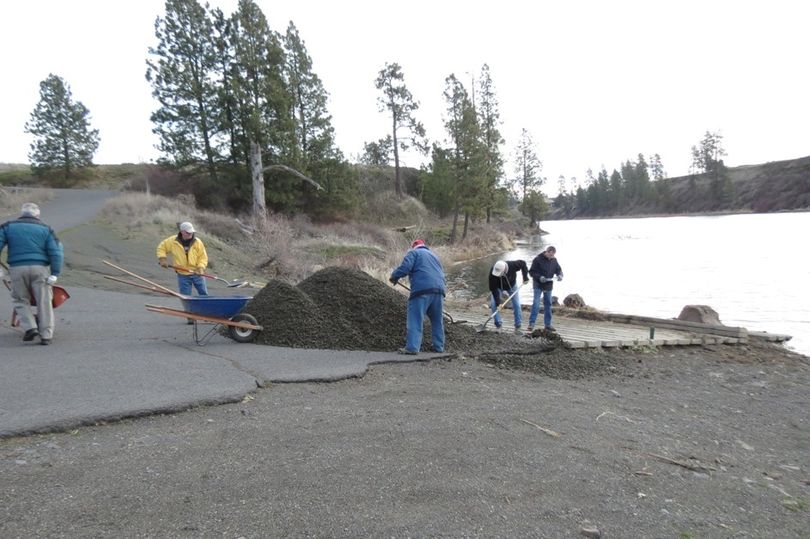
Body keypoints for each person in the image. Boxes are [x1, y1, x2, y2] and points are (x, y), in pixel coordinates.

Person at [0, 202, 64, 345]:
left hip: (17, 269)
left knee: (20, 299)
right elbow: (56, 252)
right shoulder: (46, 229)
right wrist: (55, 273)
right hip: (40, 269)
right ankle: (46, 335)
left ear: (21, 213)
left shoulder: (8, 226)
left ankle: (30, 327)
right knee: (44, 301)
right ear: (37, 215)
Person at [389, 239, 446, 355]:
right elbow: (441, 273)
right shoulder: (434, 256)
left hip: (421, 290)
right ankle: (438, 347)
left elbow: (405, 268)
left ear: (414, 246)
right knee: (437, 320)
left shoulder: (413, 253)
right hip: (439, 291)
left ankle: (412, 348)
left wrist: (394, 276)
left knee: (415, 318)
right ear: (424, 246)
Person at [156, 222, 209, 323]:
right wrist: (162, 259)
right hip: (182, 274)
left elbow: (203, 257)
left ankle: (207, 314)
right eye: (188, 233)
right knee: (185, 296)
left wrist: (201, 268)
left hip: (197, 273)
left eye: (192, 232)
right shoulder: (172, 241)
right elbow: (161, 248)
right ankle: (190, 316)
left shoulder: (197, 242)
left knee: (204, 294)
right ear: (182, 232)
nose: (190, 234)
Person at [527, 246, 563, 332]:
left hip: (548, 285)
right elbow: (531, 272)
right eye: (550, 255)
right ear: (546, 252)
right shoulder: (537, 259)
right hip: (538, 284)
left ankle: (548, 325)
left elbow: (559, 270)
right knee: (536, 304)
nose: (551, 257)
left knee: (548, 304)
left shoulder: (554, 260)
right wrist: (539, 277)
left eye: (553, 255)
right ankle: (531, 324)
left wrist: (560, 275)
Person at [489, 259, 529, 333]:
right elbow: (493, 289)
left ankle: (518, 326)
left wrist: (525, 277)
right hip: (498, 287)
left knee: (516, 304)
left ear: (504, 271)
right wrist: (498, 303)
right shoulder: (493, 272)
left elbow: (523, 263)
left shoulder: (513, 265)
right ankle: (498, 325)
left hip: (512, 286)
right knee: (494, 304)